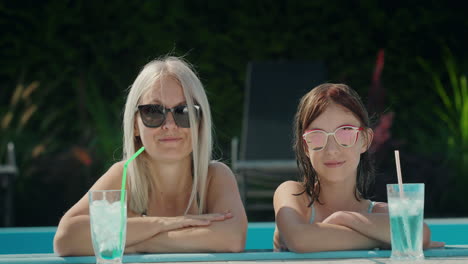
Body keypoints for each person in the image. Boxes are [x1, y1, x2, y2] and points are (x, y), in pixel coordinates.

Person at [54, 56, 247, 255]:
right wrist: (163, 223)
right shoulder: (124, 175)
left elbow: (232, 238)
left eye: (184, 111)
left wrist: (138, 244)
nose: (170, 125)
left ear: (200, 123)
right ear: (135, 125)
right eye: (154, 112)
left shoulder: (215, 176)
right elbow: (66, 238)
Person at [273, 83, 444, 252]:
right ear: (305, 147)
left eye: (346, 132)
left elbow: (419, 233)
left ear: (365, 140)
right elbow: (300, 240)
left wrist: (344, 217)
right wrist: (383, 239)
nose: (332, 150)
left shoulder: (378, 211)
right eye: (316, 136)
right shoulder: (294, 195)